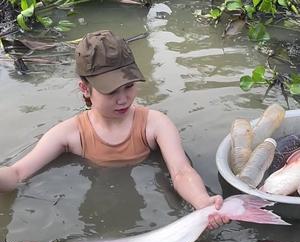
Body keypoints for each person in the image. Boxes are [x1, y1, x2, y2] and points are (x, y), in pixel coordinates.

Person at [0, 30, 229, 229]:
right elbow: (18, 174)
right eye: (110, 92)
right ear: (85, 89)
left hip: (150, 211)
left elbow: (181, 172)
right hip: (93, 208)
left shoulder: (155, 124)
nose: (123, 99)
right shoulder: (70, 134)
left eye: (129, 86)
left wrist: (201, 202)